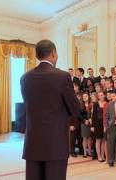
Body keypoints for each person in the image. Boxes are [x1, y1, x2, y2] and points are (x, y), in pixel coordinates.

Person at [20, 40, 80, 180]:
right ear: (53, 53)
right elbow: (75, 109)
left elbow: (29, 106)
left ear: (37, 56)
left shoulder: (25, 78)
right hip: (55, 142)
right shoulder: (63, 76)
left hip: (33, 142)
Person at [91, 91, 108, 162]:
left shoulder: (107, 103)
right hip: (97, 125)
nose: (100, 96)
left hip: (104, 124)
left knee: (103, 140)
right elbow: (93, 116)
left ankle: (102, 155)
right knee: (98, 140)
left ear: (104, 95)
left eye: (102, 95)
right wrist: (92, 126)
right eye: (99, 95)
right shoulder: (95, 104)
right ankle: (99, 156)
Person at [106, 90, 116, 167]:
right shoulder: (109, 104)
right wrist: (108, 125)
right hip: (112, 127)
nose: (112, 97)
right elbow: (107, 116)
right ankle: (111, 160)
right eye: (111, 96)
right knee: (111, 144)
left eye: (113, 96)